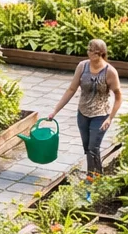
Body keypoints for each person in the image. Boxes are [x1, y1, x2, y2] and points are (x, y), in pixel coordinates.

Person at [46, 38, 122, 175]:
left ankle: (93, 177)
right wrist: (55, 111)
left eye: (91, 50)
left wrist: (110, 118)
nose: (88, 53)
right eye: (88, 50)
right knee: (87, 147)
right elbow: (71, 89)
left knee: (93, 147)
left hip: (100, 115)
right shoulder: (82, 66)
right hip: (83, 114)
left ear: (99, 53)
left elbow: (118, 96)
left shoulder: (110, 72)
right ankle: (95, 175)